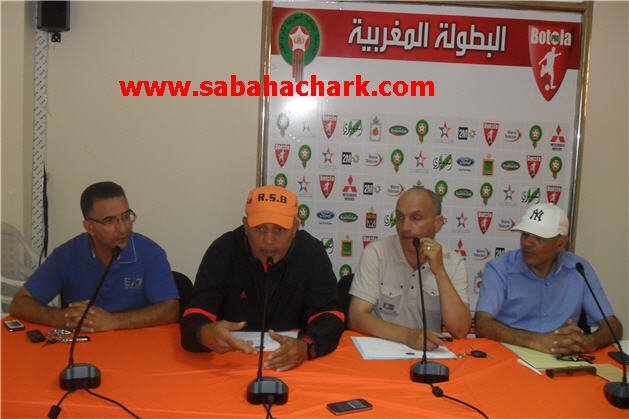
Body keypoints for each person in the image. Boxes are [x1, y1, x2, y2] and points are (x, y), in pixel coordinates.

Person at [180, 185, 344, 371]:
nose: (268, 240)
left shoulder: (311, 253)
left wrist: (306, 345)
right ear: (245, 225)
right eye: (259, 228)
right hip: (229, 363)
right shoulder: (223, 250)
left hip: (294, 363)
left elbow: (330, 315)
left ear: (294, 228)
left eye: (279, 229)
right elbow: (195, 314)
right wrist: (203, 334)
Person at [9, 181, 179, 332]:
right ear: (89, 227)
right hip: (84, 346)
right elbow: (19, 303)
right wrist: (60, 318)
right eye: (110, 221)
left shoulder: (150, 253)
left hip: (137, 344)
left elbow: (170, 310)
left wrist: (113, 321)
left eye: (126, 216)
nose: (123, 228)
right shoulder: (67, 255)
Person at [475, 203, 623, 355]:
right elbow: (482, 324)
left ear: (560, 243)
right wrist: (536, 341)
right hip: (510, 354)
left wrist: (589, 342)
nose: (527, 243)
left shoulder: (579, 268)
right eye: (525, 234)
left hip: (561, 356)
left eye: (538, 238)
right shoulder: (500, 268)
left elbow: (614, 326)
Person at [348, 186, 471, 350]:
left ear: (437, 223)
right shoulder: (377, 253)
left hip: (428, 353)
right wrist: (407, 336)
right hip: (380, 350)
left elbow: (460, 330)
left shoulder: (453, 262)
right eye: (400, 217)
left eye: (416, 218)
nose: (404, 227)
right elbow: (356, 317)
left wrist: (440, 272)